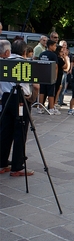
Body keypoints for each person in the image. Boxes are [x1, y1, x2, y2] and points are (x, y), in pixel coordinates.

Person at [0, 39, 39, 176]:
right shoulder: (24, 63)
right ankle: (17, 166)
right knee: (20, 132)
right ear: (24, 51)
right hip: (20, 99)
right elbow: (34, 85)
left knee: (5, 131)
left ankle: (2, 163)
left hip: (5, 98)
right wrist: (33, 96)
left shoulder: (3, 62)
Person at [37, 39, 59, 115]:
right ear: (50, 46)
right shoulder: (53, 55)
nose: (55, 47)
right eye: (55, 46)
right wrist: (55, 76)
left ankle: (40, 108)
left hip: (42, 76)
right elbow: (56, 66)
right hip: (50, 76)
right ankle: (51, 108)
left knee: (42, 92)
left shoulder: (42, 54)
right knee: (51, 93)